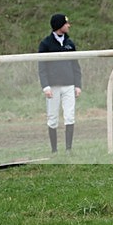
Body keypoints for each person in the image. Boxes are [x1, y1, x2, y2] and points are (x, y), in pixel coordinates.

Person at [38, 13, 82, 153]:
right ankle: (54, 150)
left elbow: (75, 65)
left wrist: (78, 85)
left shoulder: (70, 43)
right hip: (53, 86)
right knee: (52, 118)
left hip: (69, 85)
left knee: (70, 116)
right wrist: (45, 86)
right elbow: (42, 67)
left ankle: (68, 149)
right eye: (66, 23)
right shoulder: (45, 44)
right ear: (59, 25)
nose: (68, 26)